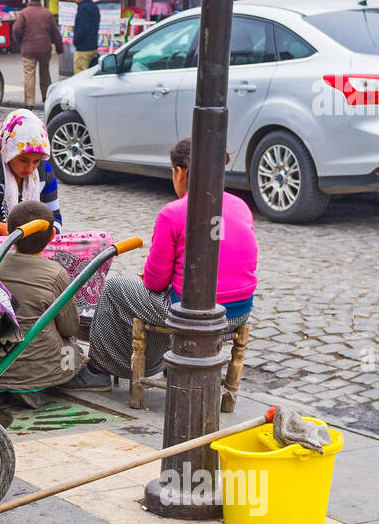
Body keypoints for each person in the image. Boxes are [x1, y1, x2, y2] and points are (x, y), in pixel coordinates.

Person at [87, 138, 257, 381]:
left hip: (193, 313)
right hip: (239, 310)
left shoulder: (174, 212)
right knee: (165, 295)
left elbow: (155, 283)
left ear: (178, 172)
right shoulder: (241, 206)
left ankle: (98, 370)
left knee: (115, 288)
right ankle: (165, 359)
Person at [0, 200, 108, 408]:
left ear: (10, 232)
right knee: (74, 350)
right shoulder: (55, 273)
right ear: (53, 235)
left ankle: (6, 389)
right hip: (39, 367)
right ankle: (40, 385)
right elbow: (69, 326)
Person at [0, 109, 61, 238]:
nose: (30, 168)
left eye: (36, 161)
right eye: (23, 160)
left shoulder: (45, 172)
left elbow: (55, 216)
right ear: (8, 152)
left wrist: (51, 231)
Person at [11, 0, 63, 109]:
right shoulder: (47, 13)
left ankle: (29, 103)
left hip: (28, 49)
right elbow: (56, 33)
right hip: (44, 48)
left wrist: (20, 42)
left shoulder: (24, 13)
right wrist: (59, 49)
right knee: (45, 73)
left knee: (29, 75)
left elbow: (16, 30)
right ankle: (46, 98)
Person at [71, 0, 100, 73]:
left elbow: (83, 28)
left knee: (80, 75)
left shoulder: (84, 9)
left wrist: (75, 40)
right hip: (92, 45)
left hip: (83, 48)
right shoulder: (93, 7)